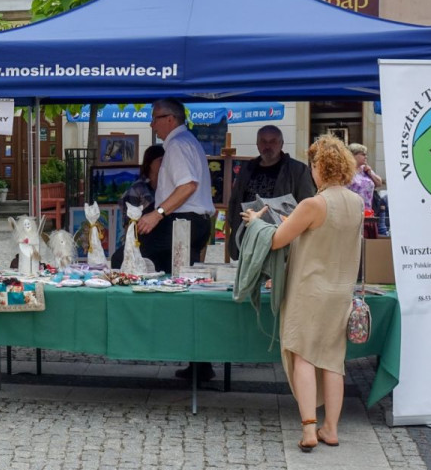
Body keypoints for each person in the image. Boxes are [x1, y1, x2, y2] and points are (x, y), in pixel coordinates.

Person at [240, 135, 363, 452]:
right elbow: (316, 232)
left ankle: (309, 429)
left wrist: (257, 220)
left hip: (309, 290)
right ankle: (331, 429)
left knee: (303, 355)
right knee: (334, 361)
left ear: (320, 166)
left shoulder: (313, 203)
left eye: (313, 165)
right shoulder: (355, 202)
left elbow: (279, 239)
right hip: (340, 291)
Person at [140, 99, 217, 381]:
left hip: (182, 223)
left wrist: (157, 214)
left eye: (155, 118)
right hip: (190, 222)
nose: (151, 124)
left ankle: (145, 330)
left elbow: (188, 186)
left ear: (170, 119)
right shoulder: (186, 142)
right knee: (188, 291)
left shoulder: (178, 144)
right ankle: (200, 361)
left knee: (129, 260)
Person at [226, 125, 316, 260]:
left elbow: (307, 205)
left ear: (281, 144)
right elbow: (235, 201)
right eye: (263, 141)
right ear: (257, 144)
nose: (268, 146)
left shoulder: (298, 170)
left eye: (273, 141)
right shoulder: (247, 169)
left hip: (280, 240)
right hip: (248, 240)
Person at [110, 145, 165, 268]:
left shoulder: (167, 188)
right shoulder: (137, 189)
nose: (164, 164)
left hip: (162, 239)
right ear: (150, 163)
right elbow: (128, 224)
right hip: (142, 240)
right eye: (161, 160)